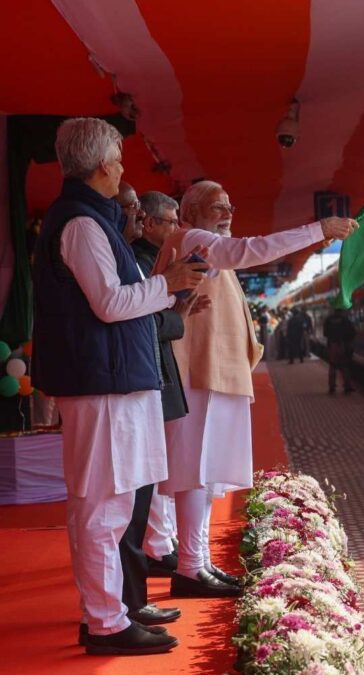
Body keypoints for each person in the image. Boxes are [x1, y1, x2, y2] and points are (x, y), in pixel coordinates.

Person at [31, 118, 205, 655]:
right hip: (100, 384)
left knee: (113, 502)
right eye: (121, 160)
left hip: (114, 382)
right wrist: (166, 285)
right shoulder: (82, 225)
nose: (124, 168)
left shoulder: (93, 222)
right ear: (104, 165)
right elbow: (109, 304)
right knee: (102, 506)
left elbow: (117, 301)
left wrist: (165, 291)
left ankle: (110, 614)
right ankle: (105, 622)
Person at [153, 180, 357, 598]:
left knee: (206, 475)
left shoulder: (202, 244)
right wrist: (318, 230)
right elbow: (250, 251)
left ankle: (199, 562)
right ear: (189, 212)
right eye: (215, 206)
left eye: (230, 205)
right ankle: (190, 567)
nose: (227, 212)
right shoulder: (192, 238)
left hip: (214, 372)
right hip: (197, 372)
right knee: (195, 471)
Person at [133, 191, 210, 578]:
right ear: (148, 223)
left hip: (156, 368)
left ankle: (161, 542)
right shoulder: (145, 261)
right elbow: (140, 319)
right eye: (170, 221)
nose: (177, 228)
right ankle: (157, 545)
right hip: (150, 369)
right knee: (156, 466)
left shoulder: (157, 259)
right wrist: (176, 313)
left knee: (161, 463)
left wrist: (180, 308)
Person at [323, 308, 356, 394]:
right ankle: (347, 386)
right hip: (342, 345)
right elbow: (352, 332)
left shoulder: (328, 320)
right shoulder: (345, 320)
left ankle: (332, 386)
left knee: (332, 365)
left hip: (332, 344)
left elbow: (325, 333)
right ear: (341, 311)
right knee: (345, 365)